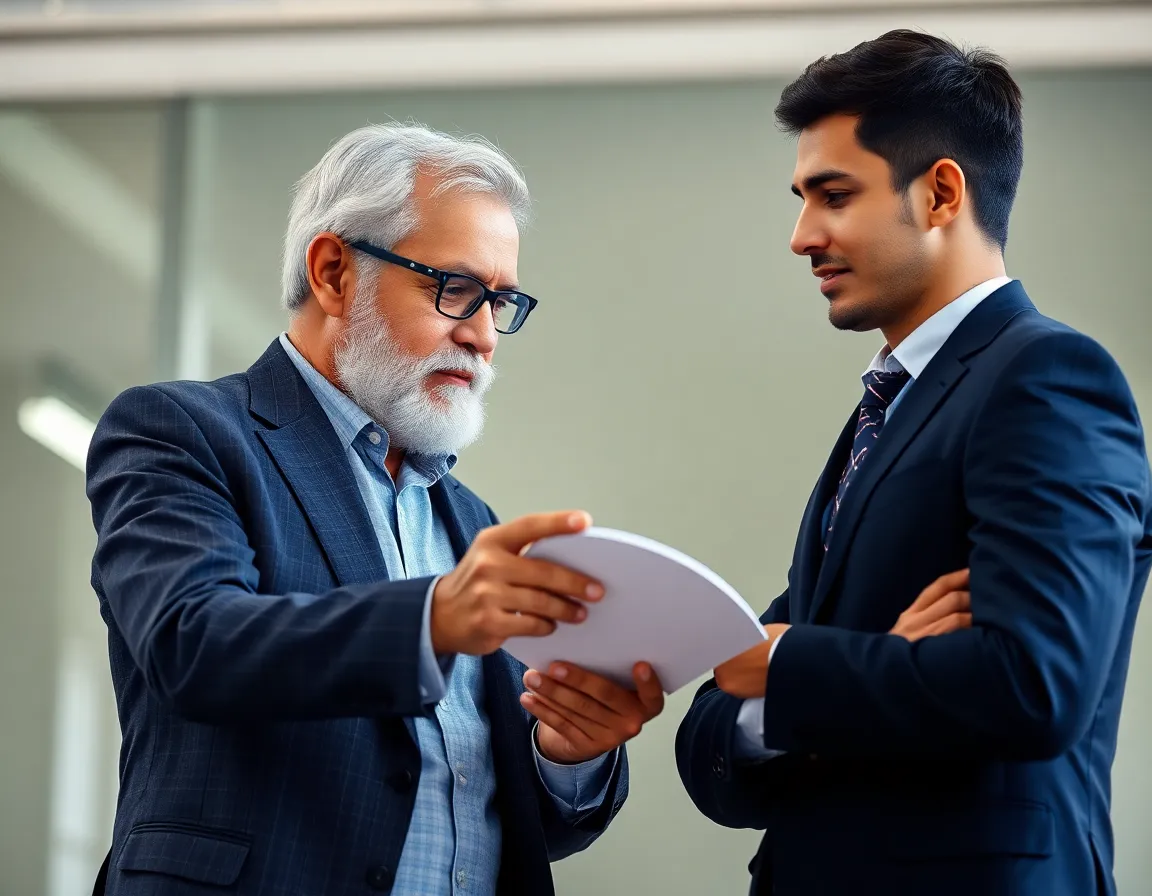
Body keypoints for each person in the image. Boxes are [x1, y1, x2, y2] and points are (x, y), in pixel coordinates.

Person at [86, 123, 664, 896]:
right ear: (333, 273)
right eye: (455, 289)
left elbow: (505, 815)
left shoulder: (472, 522)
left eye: (501, 302)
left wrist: (567, 749)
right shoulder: (183, 432)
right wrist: (431, 620)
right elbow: (194, 643)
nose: (484, 335)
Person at [675, 29, 1151, 896]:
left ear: (939, 193)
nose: (800, 235)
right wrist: (833, 666)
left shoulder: (1047, 377)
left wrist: (788, 666)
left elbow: (1034, 683)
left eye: (833, 195)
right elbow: (711, 732)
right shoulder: (884, 414)